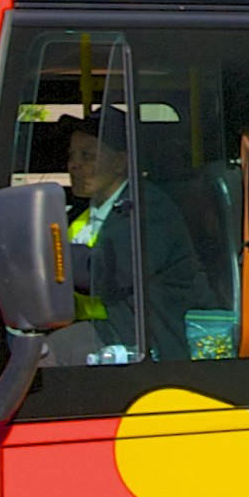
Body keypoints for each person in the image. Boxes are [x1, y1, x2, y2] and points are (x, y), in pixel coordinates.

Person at [57, 120, 219, 363]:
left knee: (45, 357)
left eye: (87, 155)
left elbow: (106, 272)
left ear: (121, 163)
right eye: (71, 155)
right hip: (100, 326)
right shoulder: (82, 211)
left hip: (146, 337)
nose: (74, 164)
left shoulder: (149, 209)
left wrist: (48, 253)